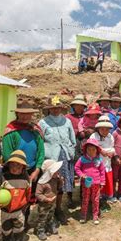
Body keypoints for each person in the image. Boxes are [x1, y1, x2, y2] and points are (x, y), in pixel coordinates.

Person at [2, 100, 45, 225]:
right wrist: (17, 170)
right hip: (15, 171)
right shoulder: (11, 131)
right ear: (17, 114)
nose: (25, 116)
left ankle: (24, 223)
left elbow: (41, 151)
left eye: (28, 114)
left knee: (28, 197)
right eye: (22, 114)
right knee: (15, 197)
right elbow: (7, 154)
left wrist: (37, 169)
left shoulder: (35, 130)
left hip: (32, 170)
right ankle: (9, 225)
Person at [38, 96, 76, 224]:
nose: (55, 110)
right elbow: (40, 141)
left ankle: (58, 209)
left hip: (65, 156)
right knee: (50, 185)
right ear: (49, 109)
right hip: (51, 158)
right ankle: (48, 210)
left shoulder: (67, 121)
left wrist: (71, 150)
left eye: (57, 107)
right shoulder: (43, 123)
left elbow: (72, 139)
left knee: (61, 185)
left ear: (61, 108)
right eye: (53, 108)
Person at [0, 150, 31, 241]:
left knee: (19, 228)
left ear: (23, 167)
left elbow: (28, 194)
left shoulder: (26, 180)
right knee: (6, 228)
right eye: (13, 164)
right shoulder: (4, 178)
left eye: (18, 165)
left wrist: (26, 205)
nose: (15, 168)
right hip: (5, 211)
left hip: (19, 210)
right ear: (8, 165)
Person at [74, 139, 106, 224]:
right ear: (85, 150)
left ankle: (95, 215)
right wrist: (81, 175)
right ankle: (83, 215)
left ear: (97, 150)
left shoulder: (99, 159)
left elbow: (102, 171)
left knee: (96, 199)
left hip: (96, 184)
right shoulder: (82, 159)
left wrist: (102, 182)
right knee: (85, 199)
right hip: (86, 184)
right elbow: (77, 168)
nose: (91, 151)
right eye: (89, 149)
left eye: (93, 149)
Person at [89, 115, 115, 203]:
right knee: (97, 180)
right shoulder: (93, 136)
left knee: (106, 179)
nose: (105, 131)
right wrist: (100, 151)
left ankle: (106, 196)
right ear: (98, 128)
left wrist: (111, 152)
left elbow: (112, 147)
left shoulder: (110, 137)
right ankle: (96, 197)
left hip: (107, 162)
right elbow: (90, 147)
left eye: (107, 129)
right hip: (96, 163)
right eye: (102, 129)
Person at [35, 160, 63, 241]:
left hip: (52, 203)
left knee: (51, 215)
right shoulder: (41, 183)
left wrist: (60, 180)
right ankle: (40, 231)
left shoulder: (55, 179)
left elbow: (59, 187)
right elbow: (38, 194)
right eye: (55, 171)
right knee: (42, 218)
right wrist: (46, 199)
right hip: (44, 205)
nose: (57, 172)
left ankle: (50, 225)